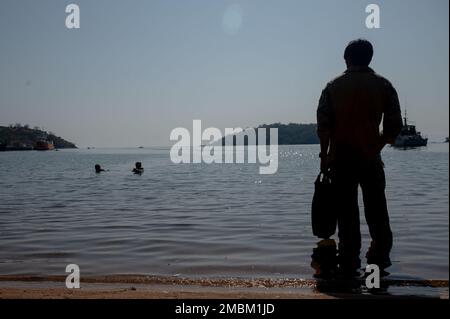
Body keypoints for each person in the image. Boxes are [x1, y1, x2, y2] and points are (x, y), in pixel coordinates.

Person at [316, 39, 403, 276]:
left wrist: (324, 158)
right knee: (377, 211)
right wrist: (377, 144)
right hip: (370, 158)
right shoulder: (383, 85)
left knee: (346, 214)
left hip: (341, 159)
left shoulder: (333, 87)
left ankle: (349, 264)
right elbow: (394, 126)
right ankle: (378, 264)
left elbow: (324, 127)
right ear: (370, 58)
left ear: (346, 58)